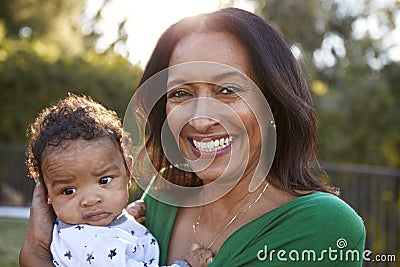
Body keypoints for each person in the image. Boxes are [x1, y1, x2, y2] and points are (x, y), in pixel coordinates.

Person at [20, 7, 366, 267]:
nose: (200, 120)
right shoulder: (159, 202)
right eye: (180, 94)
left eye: (228, 90)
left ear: (274, 102)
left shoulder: (324, 227)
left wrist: (36, 255)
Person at [23, 94, 211, 267]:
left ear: (128, 172)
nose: (90, 200)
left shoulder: (96, 228)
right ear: (47, 195)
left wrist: (126, 219)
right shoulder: (88, 244)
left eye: (104, 180)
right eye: (69, 191)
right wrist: (186, 265)